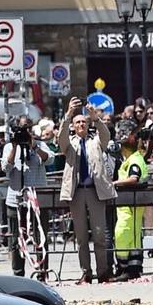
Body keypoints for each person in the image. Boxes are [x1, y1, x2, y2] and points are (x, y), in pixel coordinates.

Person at [58, 97, 116, 283]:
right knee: (81, 236)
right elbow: (61, 138)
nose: (81, 124)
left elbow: (106, 136)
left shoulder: (96, 141)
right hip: (77, 192)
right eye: (78, 122)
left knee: (99, 234)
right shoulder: (70, 144)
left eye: (83, 121)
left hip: (95, 191)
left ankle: (103, 271)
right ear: (73, 126)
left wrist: (96, 118)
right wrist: (68, 115)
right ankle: (86, 272)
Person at [1, 115, 49, 278]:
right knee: (16, 239)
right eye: (23, 129)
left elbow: (49, 160)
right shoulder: (9, 147)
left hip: (37, 200)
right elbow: (5, 168)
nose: (26, 132)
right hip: (15, 199)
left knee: (40, 237)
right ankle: (18, 274)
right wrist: (15, 147)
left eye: (28, 128)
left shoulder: (40, 144)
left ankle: (42, 272)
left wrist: (34, 146)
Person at [112, 120, 148, 280]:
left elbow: (134, 178)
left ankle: (125, 267)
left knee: (122, 235)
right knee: (131, 237)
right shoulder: (132, 159)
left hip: (130, 207)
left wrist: (113, 183)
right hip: (127, 206)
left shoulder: (135, 160)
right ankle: (131, 269)